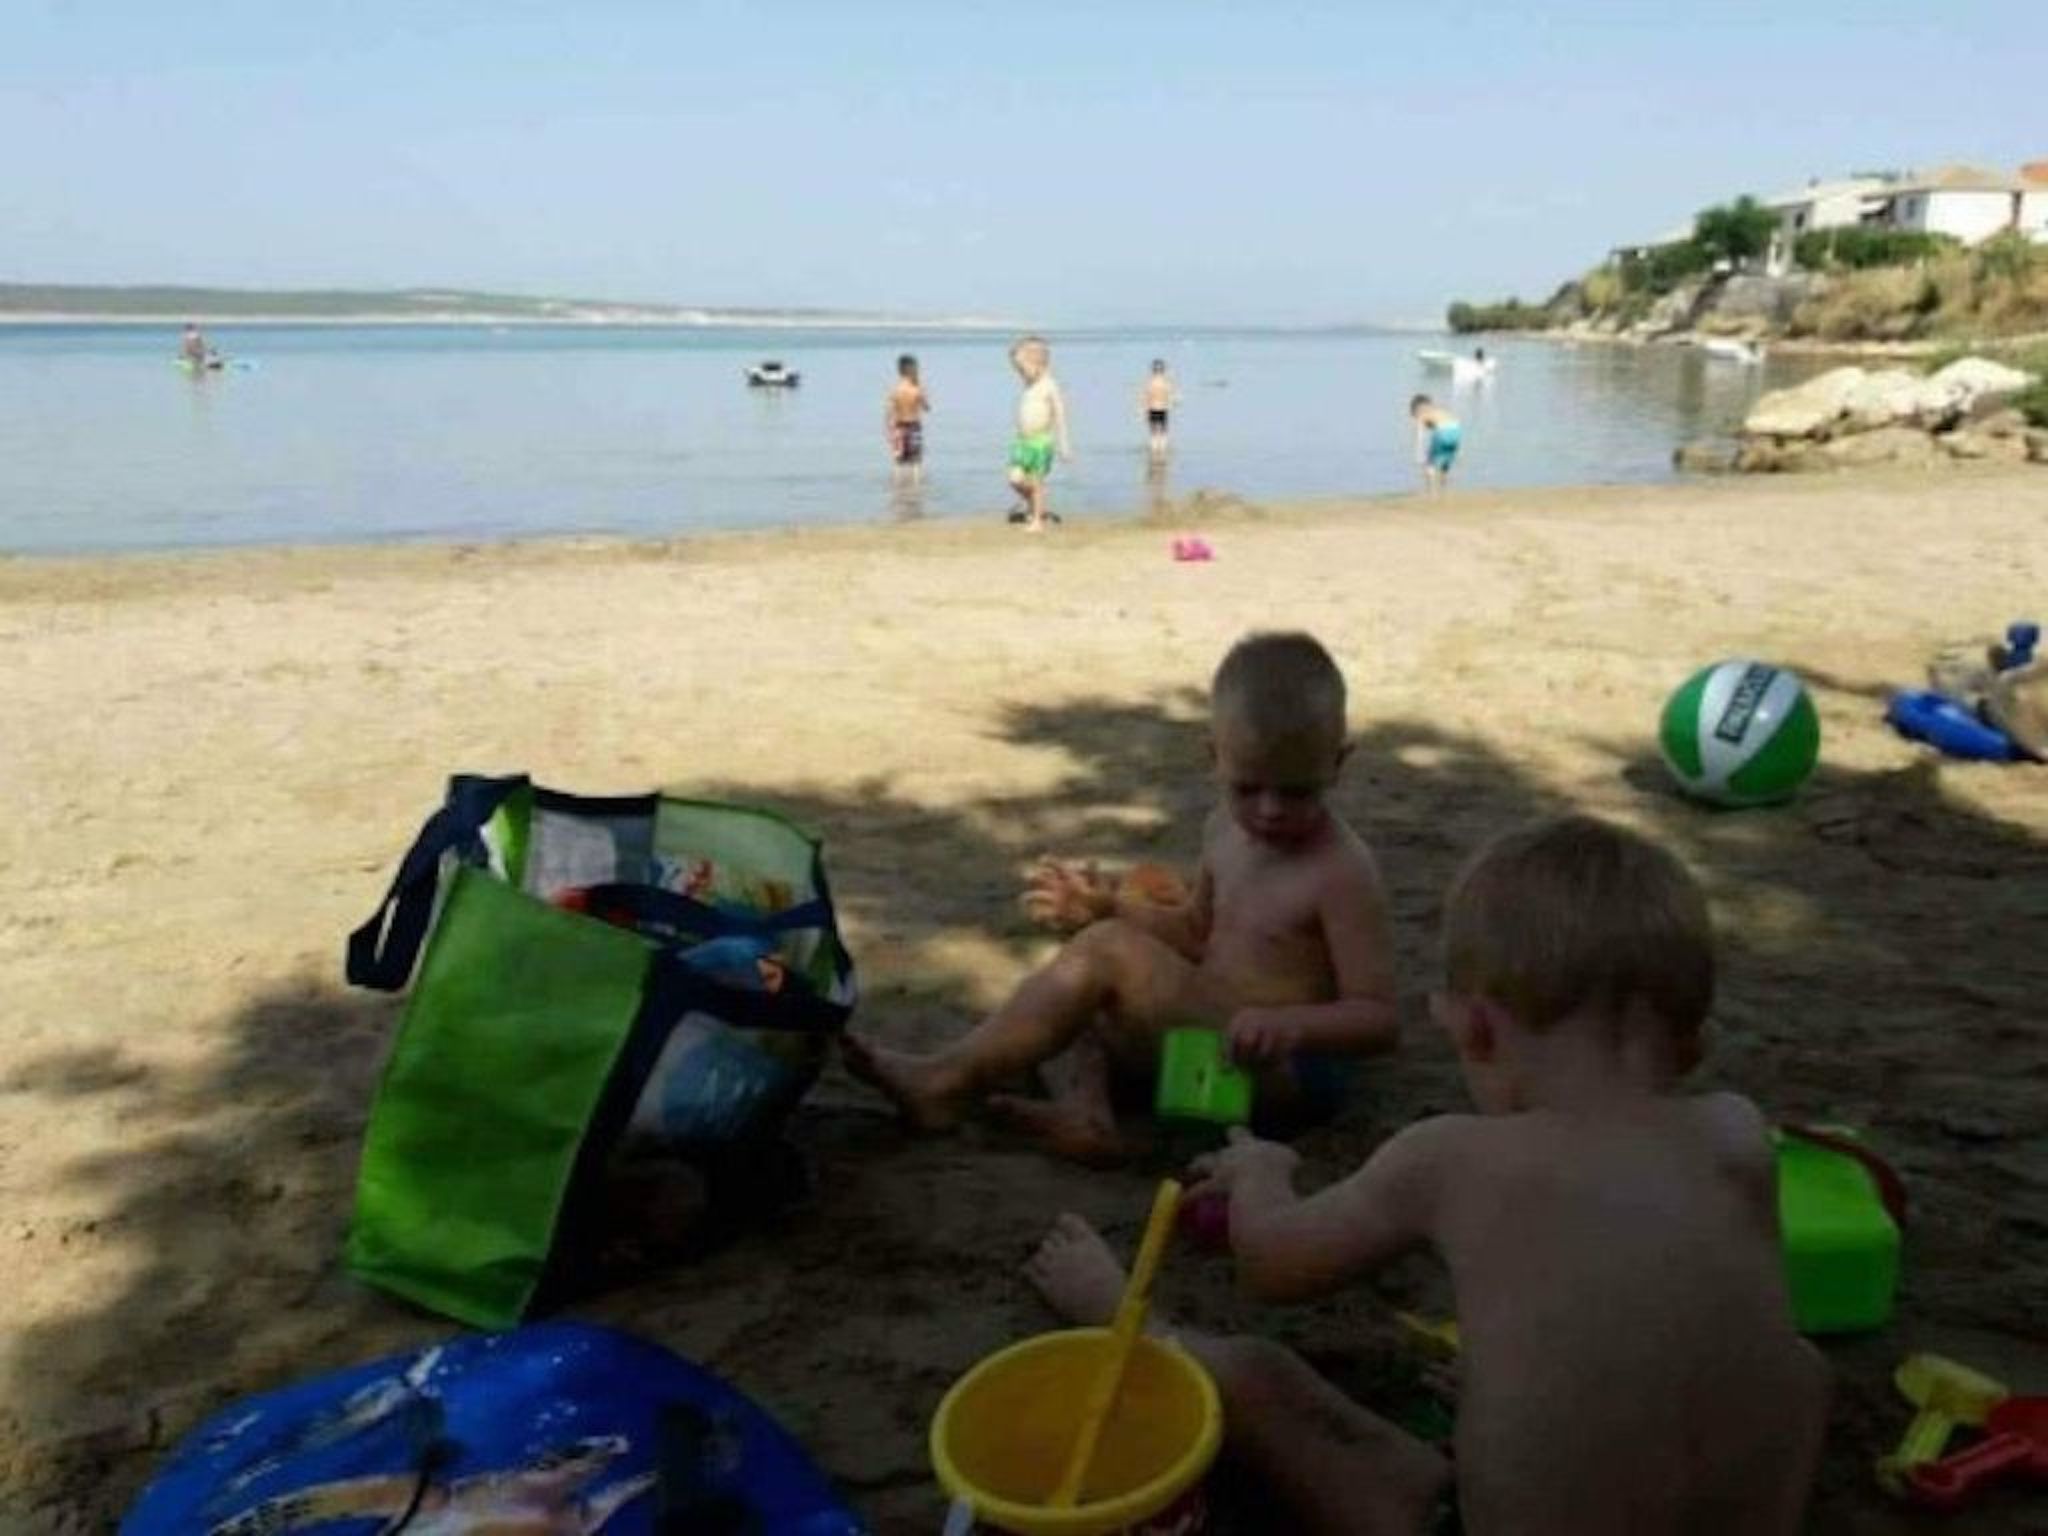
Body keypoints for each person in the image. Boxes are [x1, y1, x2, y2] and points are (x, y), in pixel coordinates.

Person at [1027, 814, 1829, 1535]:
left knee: (1259, 1377)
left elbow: (1270, 1264)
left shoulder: (1448, 1158)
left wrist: (1262, 1171)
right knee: (1796, 1366)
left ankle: (1120, 1317)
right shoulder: (1738, 1137)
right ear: (1692, 1050)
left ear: (1473, 1030)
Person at [844, 631, 1400, 1163]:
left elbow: (1378, 1019)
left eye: (1297, 791)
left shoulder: (1341, 873)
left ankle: (942, 1082)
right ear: (1215, 757)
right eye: (1248, 787)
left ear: (1338, 763)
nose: (1270, 809)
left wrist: (1291, 1026)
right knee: (1083, 970)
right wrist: (1106, 907)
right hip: (1201, 1056)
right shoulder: (1223, 830)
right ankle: (1087, 1112)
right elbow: (1194, 932)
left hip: (1277, 1081)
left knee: (1107, 954)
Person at [1003, 335, 1072, 531]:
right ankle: (1034, 505)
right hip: (1023, 441)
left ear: (1038, 363)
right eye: (1017, 370)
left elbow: (1060, 414)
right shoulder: (1029, 385)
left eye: (1021, 368)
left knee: (1036, 481)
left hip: (1040, 442)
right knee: (1014, 478)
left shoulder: (1049, 385)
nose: (1019, 373)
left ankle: (1037, 521)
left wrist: (1064, 443)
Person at [885, 354, 930, 487]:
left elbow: (889, 413)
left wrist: (889, 430)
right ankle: (916, 488)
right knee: (915, 461)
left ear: (899, 371)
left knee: (898, 461)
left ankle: (897, 487)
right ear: (912, 370)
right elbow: (927, 408)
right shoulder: (916, 389)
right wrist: (920, 388)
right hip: (914, 426)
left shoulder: (895, 390)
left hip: (899, 426)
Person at [1410, 394, 1462, 494]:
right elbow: (1453, 424)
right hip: (1456, 430)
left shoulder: (1423, 415)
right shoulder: (1440, 411)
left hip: (1443, 431)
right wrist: (1458, 449)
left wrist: (1418, 453)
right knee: (1446, 461)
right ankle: (1444, 487)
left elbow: (1420, 436)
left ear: (1418, 409)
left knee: (1429, 463)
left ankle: (1430, 491)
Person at [1142, 358, 1177, 461]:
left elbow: (1145, 396)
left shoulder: (1150, 382)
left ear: (1153, 370)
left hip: (1152, 408)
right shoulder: (1166, 382)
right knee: (1163, 431)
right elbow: (1172, 396)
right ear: (1163, 370)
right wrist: (1173, 403)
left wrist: (1143, 410)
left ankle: (1154, 451)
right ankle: (1162, 451)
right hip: (1163, 408)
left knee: (1153, 431)